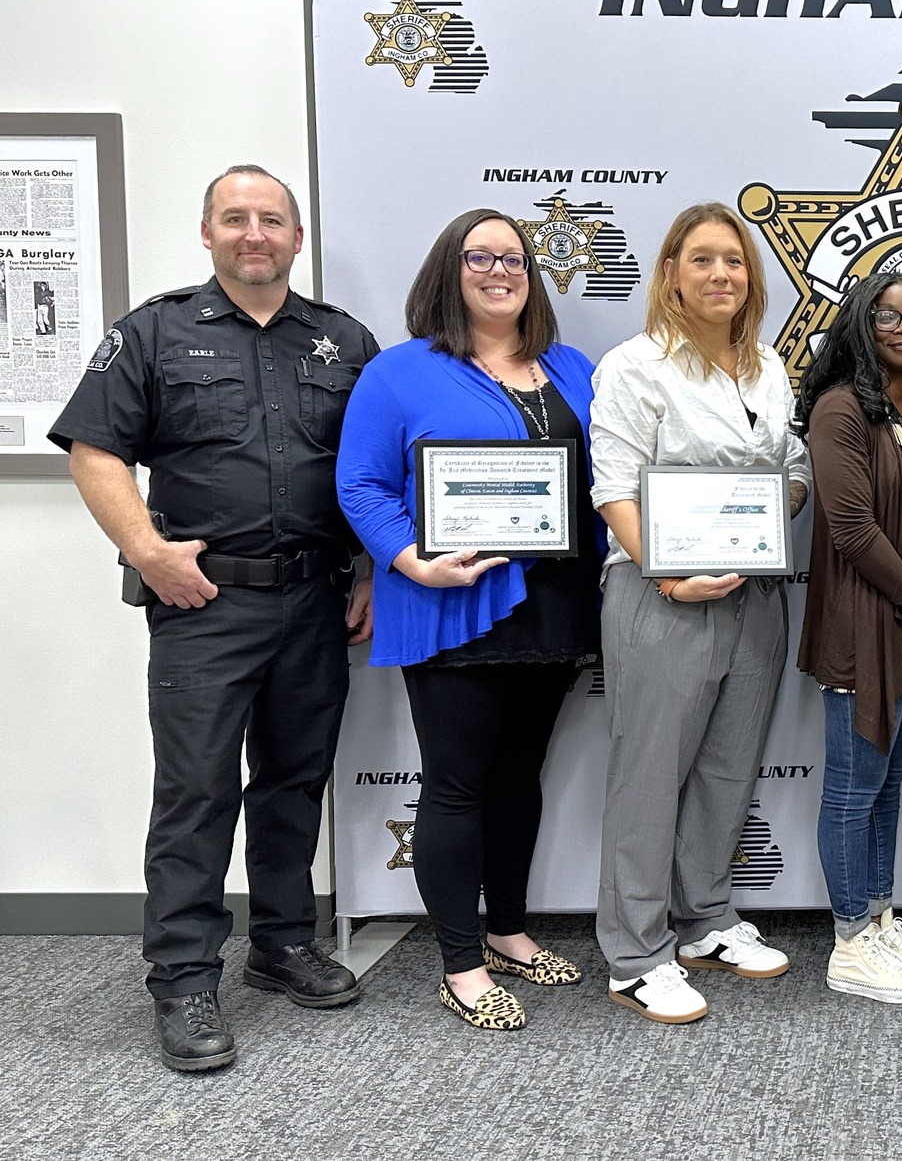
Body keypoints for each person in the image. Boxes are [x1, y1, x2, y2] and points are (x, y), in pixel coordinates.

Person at [50, 165, 375, 1072]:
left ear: (298, 238)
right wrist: (149, 553)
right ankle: (186, 977)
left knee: (292, 779)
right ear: (207, 234)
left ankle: (280, 942)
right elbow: (94, 448)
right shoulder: (154, 331)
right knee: (196, 791)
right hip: (204, 603)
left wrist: (369, 574)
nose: (254, 234)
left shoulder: (343, 342)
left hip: (315, 597)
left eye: (272, 220)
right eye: (235, 219)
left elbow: (372, 471)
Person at [337, 208, 601, 1031]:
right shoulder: (399, 371)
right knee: (456, 783)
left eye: (514, 258)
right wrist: (409, 560)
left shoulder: (573, 366)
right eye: (480, 256)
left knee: (521, 778)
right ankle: (459, 962)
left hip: (555, 602)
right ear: (449, 268)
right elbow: (361, 486)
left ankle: (509, 929)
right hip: (451, 602)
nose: (500, 270)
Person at [588, 203, 810, 1023]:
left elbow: (792, 470)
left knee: (728, 767)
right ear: (672, 271)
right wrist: (670, 571)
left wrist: (757, 519)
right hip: (659, 594)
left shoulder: (769, 366)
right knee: (648, 775)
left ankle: (705, 919)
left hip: (753, 591)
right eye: (704, 259)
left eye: (736, 261)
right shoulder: (635, 364)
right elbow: (612, 484)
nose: (722, 274)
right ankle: (634, 952)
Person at [794, 273, 902, 1004]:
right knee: (852, 787)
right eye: (887, 315)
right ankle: (847, 940)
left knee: (888, 782)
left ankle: (878, 916)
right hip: (869, 626)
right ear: (861, 326)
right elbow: (852, 528)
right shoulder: (841, 410)